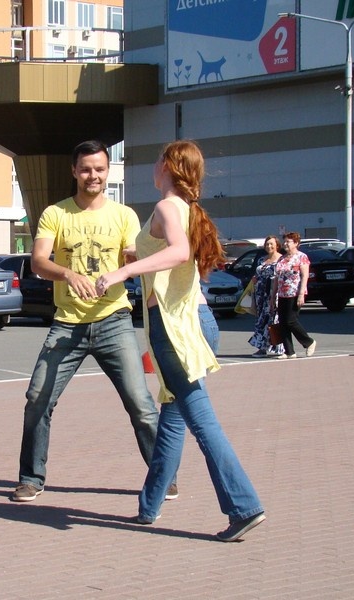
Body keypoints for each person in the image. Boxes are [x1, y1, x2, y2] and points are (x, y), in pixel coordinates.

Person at [96, 140, 265, 542]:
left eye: (158, 160)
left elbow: (178, 252)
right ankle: (149, 506)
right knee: (172, 419)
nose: (153, 166)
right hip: (193, 321)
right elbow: (167, 249)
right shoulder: (184, 209)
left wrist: (123, 272)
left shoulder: (167, 207)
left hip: (175, 327)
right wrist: (130, 252)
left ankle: (244, 507)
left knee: (200, 419)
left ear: (169, 167)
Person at [12, 139, 165, 503]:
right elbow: (38, 262)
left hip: (114, 320)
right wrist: (68, 275)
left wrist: (139, 257)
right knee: (37, 398)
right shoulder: (56, 214)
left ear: (108, 171)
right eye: (85, 169)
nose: (92, 175)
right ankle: (31, 478)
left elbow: (133, 260)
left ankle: (163, 475)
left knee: (141, 404)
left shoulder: (124, 215)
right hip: (67, 324)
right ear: (74, 171)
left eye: (99, 169)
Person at [271, 232, 317, 359]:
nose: (285, 244)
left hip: (294, 293)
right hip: (282, 294)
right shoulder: (281, 259)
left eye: (288, 242)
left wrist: (301, 293)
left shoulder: (301, 257)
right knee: (283, 323)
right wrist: (273, 295)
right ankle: (289, 351)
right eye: (284, 241)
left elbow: (305, 275)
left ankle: (309, 342)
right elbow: (276, 278)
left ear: (296, 243)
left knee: (291, 321)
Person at [249, 235, 285, 358]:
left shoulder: (281, 260)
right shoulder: (261, 260)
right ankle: (261, 348)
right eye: (267, 244)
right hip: (260, 295)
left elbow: (281, 277)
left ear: (277, 245)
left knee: (274, 320)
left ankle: (279, 348)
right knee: (261, 320)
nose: (269, 246)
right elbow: (257, 274)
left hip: (273, 294)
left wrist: (274, 296)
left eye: (271, 244)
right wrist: (254, 280)